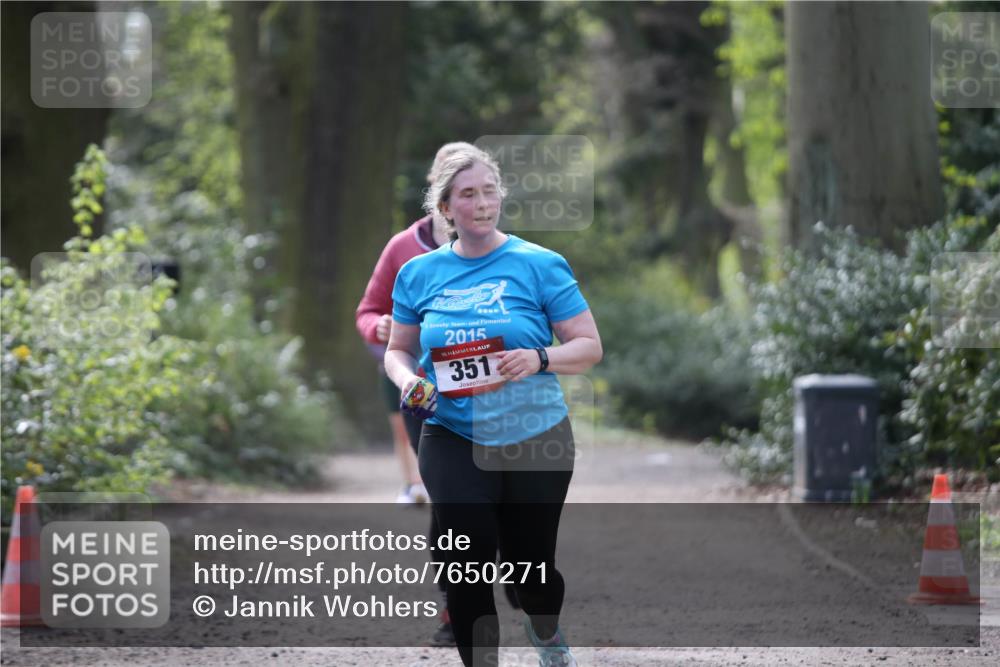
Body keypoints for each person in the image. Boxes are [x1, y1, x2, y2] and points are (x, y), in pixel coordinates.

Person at [386, 144, 602, 667]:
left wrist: (539, 357)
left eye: (489, 192)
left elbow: (588, 347)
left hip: (535, 433)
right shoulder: (418, 273)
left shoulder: (539, 264)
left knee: (532, 571)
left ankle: (545, 629)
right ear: (445, 207)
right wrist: (408, 381)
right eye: (468, 194)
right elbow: (398, 350)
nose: (482, 203)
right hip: (452, 432)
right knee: (467, 559)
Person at [355, 142, 476, 645]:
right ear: (438, 192)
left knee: (498, 497)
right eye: (457, 184)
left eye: (481, 188)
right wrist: (380, 327)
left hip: (490, 393)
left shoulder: (504, 250)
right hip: (425, 393)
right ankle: (454, 609)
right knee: (449, 500)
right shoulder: (403, 248)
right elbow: (367, 311)